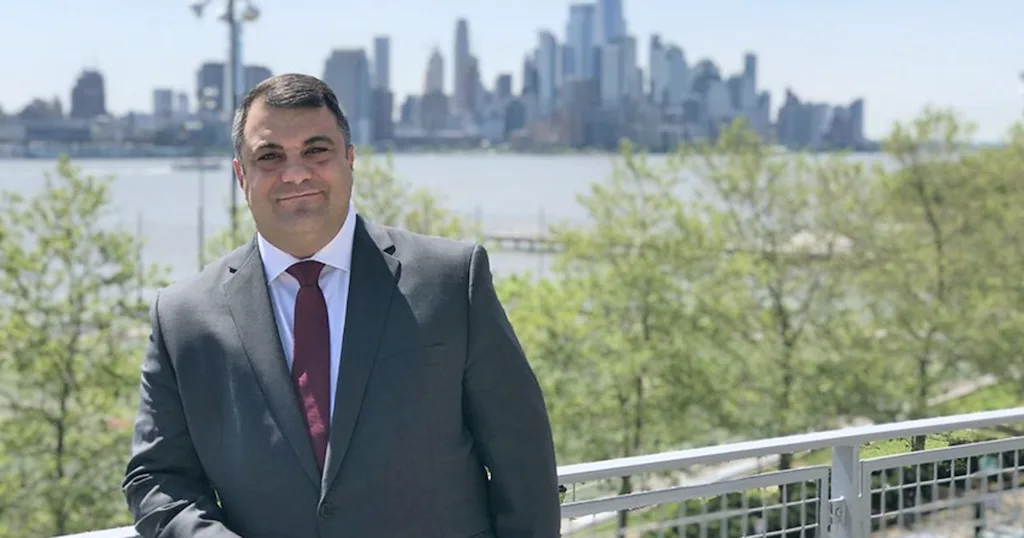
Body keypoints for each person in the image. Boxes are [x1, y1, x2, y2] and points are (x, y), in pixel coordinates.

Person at [123, 73, 561, 538]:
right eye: (270, 156)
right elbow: (156, 479)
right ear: (240, 175)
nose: (295, 173)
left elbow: (523, 460)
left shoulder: (452, 281)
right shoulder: (182, 317)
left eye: (317, 150)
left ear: (350, 159)